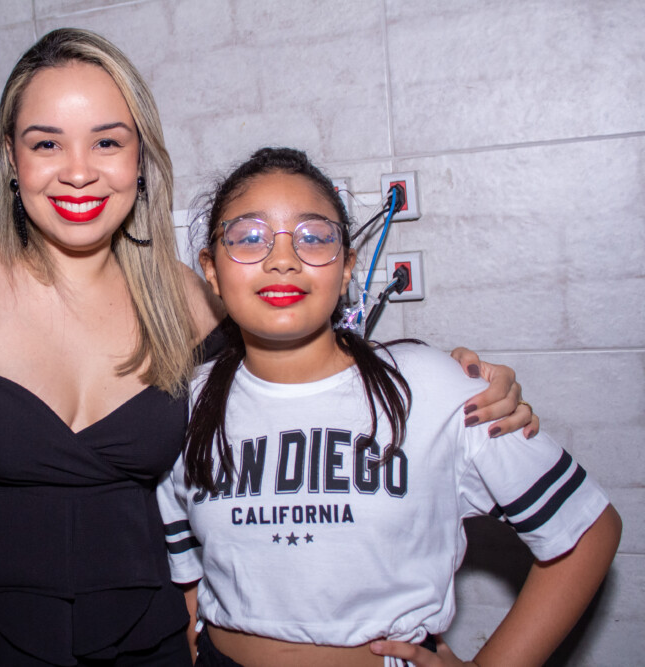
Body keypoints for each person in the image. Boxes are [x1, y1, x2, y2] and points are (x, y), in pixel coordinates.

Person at [0, 30, 536, 667]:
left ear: (140, 157)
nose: (78, 170)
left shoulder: (185, 298)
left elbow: (303, 368)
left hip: (148, 647)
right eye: (46, 143)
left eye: (107, 141)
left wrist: (456, 382)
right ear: (10, 157)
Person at [157, 147, 621, 667]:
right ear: (211, 270)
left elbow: (587, 530)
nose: (282, 259)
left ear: (346, 267)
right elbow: (187, 572)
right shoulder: (185, 406)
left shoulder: (430, 386)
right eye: (248, 237)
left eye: (313, 237)